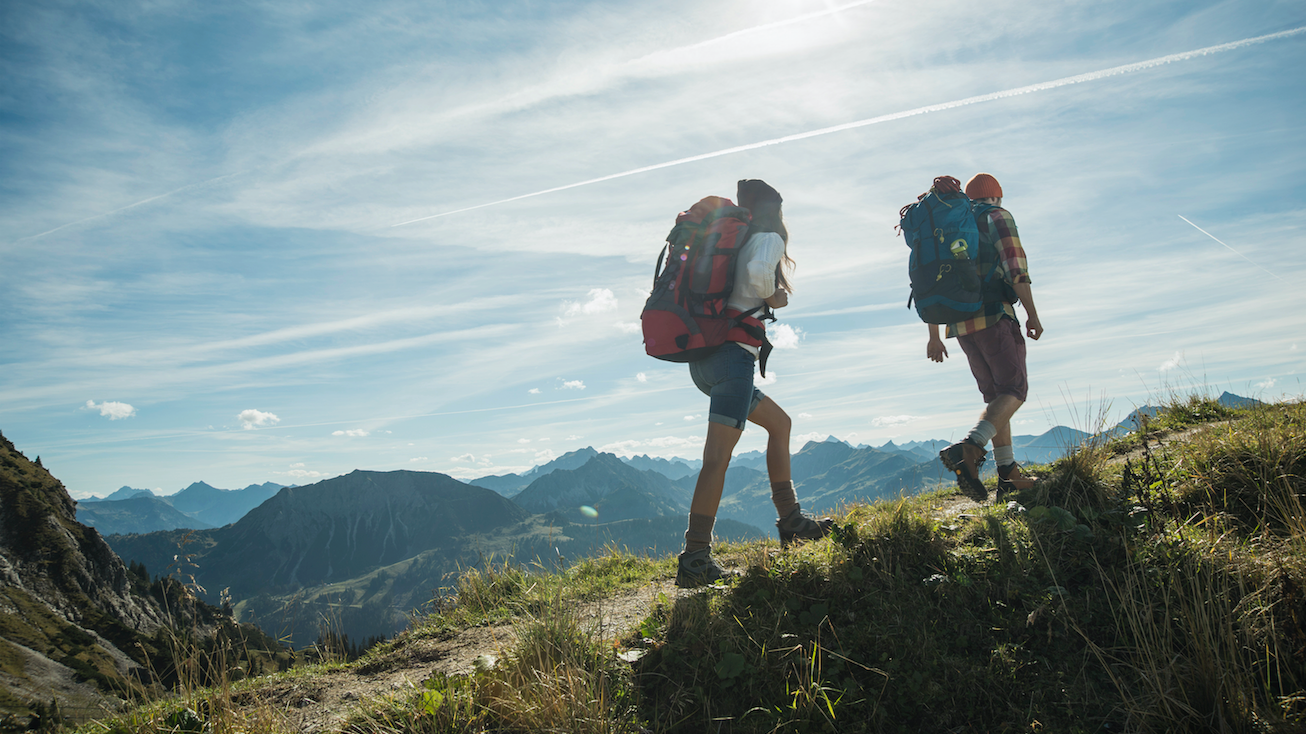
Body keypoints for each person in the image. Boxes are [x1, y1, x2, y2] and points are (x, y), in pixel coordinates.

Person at [676, 179, 833, 588]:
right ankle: (695, 557)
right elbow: (758, 275)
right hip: (733, 360)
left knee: (780, 424)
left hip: (706, 360)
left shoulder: (732, 238)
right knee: (717, 459)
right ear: (774, 210)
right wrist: (775, 296)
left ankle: (791, 521)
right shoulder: (767, 237)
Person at [928, 173, 1044, 501]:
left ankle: (1008, 475)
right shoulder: (997, 216)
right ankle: (970, 447)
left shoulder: (949, 227)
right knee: (1014, 390)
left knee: (995, 397)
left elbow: (932, 282)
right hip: (994, 316)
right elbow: (1016, 269)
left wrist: (934, 335)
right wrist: (1032, 314)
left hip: (959, 324)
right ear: (996, 196)